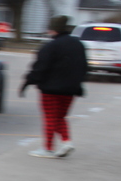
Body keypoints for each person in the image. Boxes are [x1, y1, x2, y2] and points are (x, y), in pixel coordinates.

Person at [20, 15, 88, 159]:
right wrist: (78, 83)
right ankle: (66, 142)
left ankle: (48, 148)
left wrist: (27, 82)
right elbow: (84, 67)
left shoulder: (50, 46)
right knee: (60, 117)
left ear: (53, 29)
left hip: (50, 89)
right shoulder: (78, 45)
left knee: (50, 117)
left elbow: (40, 67)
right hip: (71, 89)